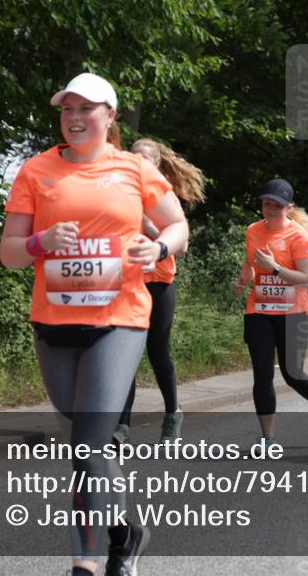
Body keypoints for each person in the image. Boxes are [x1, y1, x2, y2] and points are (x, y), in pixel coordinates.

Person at [0, 73, 188, 576]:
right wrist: (43, 243)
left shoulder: (133, 169)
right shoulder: (36, 171)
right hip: (54, 324)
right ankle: (126, 531)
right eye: (68, 109)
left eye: (87, 109)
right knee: (89, 449)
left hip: (119, 319)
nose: (76, 118)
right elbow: (10, 253)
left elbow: (178, 225)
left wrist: (159, 246)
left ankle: (86, 562)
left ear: (110, 116)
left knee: (87, 442)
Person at [114, 138, 206, 444]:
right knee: (126, 353)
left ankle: (172, 413)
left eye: (144, 160)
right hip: (128, 284)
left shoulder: (164, 199)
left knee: (157, 351)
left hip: (159, 284)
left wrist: (147, 224)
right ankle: (121, 426)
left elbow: (181, 247)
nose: (138, 164)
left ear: (156, 165)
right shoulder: (119, 196)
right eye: (134, 158)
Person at [231, 179, 308, 447]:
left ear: (289, 207)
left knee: (292, 373)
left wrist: (275, 268)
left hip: (293, 312)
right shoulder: (252, 230)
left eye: (276, 205)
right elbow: (250, 264)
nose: (270, 209)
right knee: (262, 374)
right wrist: (242, 281)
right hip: (259, 309)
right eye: (266, 204)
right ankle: (268, 438)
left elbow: (306, 279)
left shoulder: (298, 235)